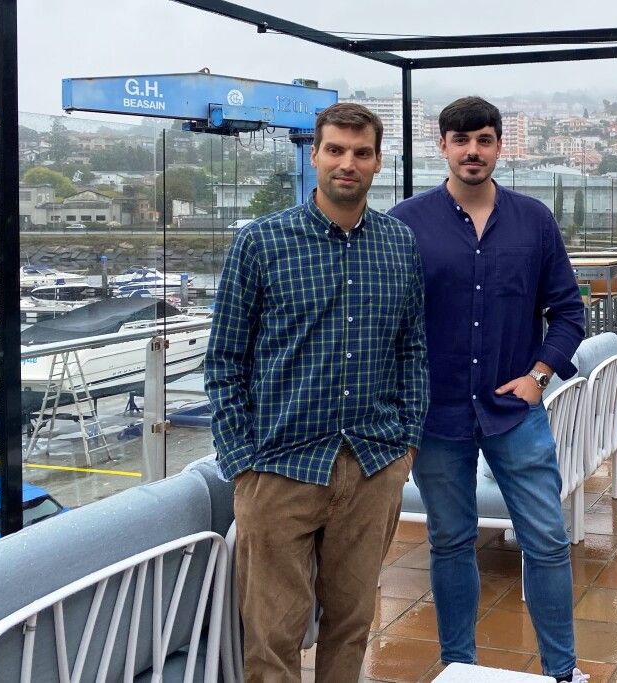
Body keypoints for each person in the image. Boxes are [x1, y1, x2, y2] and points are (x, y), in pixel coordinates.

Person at [205, 102, 428, 682]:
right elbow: (224, 360)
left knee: (351, 627)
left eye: (360, 152)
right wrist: (243, 462)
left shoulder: (399, 246)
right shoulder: (261, 243)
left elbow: (412, 351)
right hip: (278, 470)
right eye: (335, 150)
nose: (346, 163)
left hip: (373, 465)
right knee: (271, 639)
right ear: (315, 156)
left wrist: (405, 447)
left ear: (378, 162)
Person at [389, 96, 587, 682]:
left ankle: (563, 673)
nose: (472, 151)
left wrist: (539, 376)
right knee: (450, 543)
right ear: (442, 146)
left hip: (514, 412)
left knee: (548, 541)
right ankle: (459, 668)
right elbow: (388, 320)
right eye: (460, 139)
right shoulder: (406, 223)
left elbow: (569, 311)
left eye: (483, 139)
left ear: (500, 145)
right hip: (437, 416)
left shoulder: (534, 221)